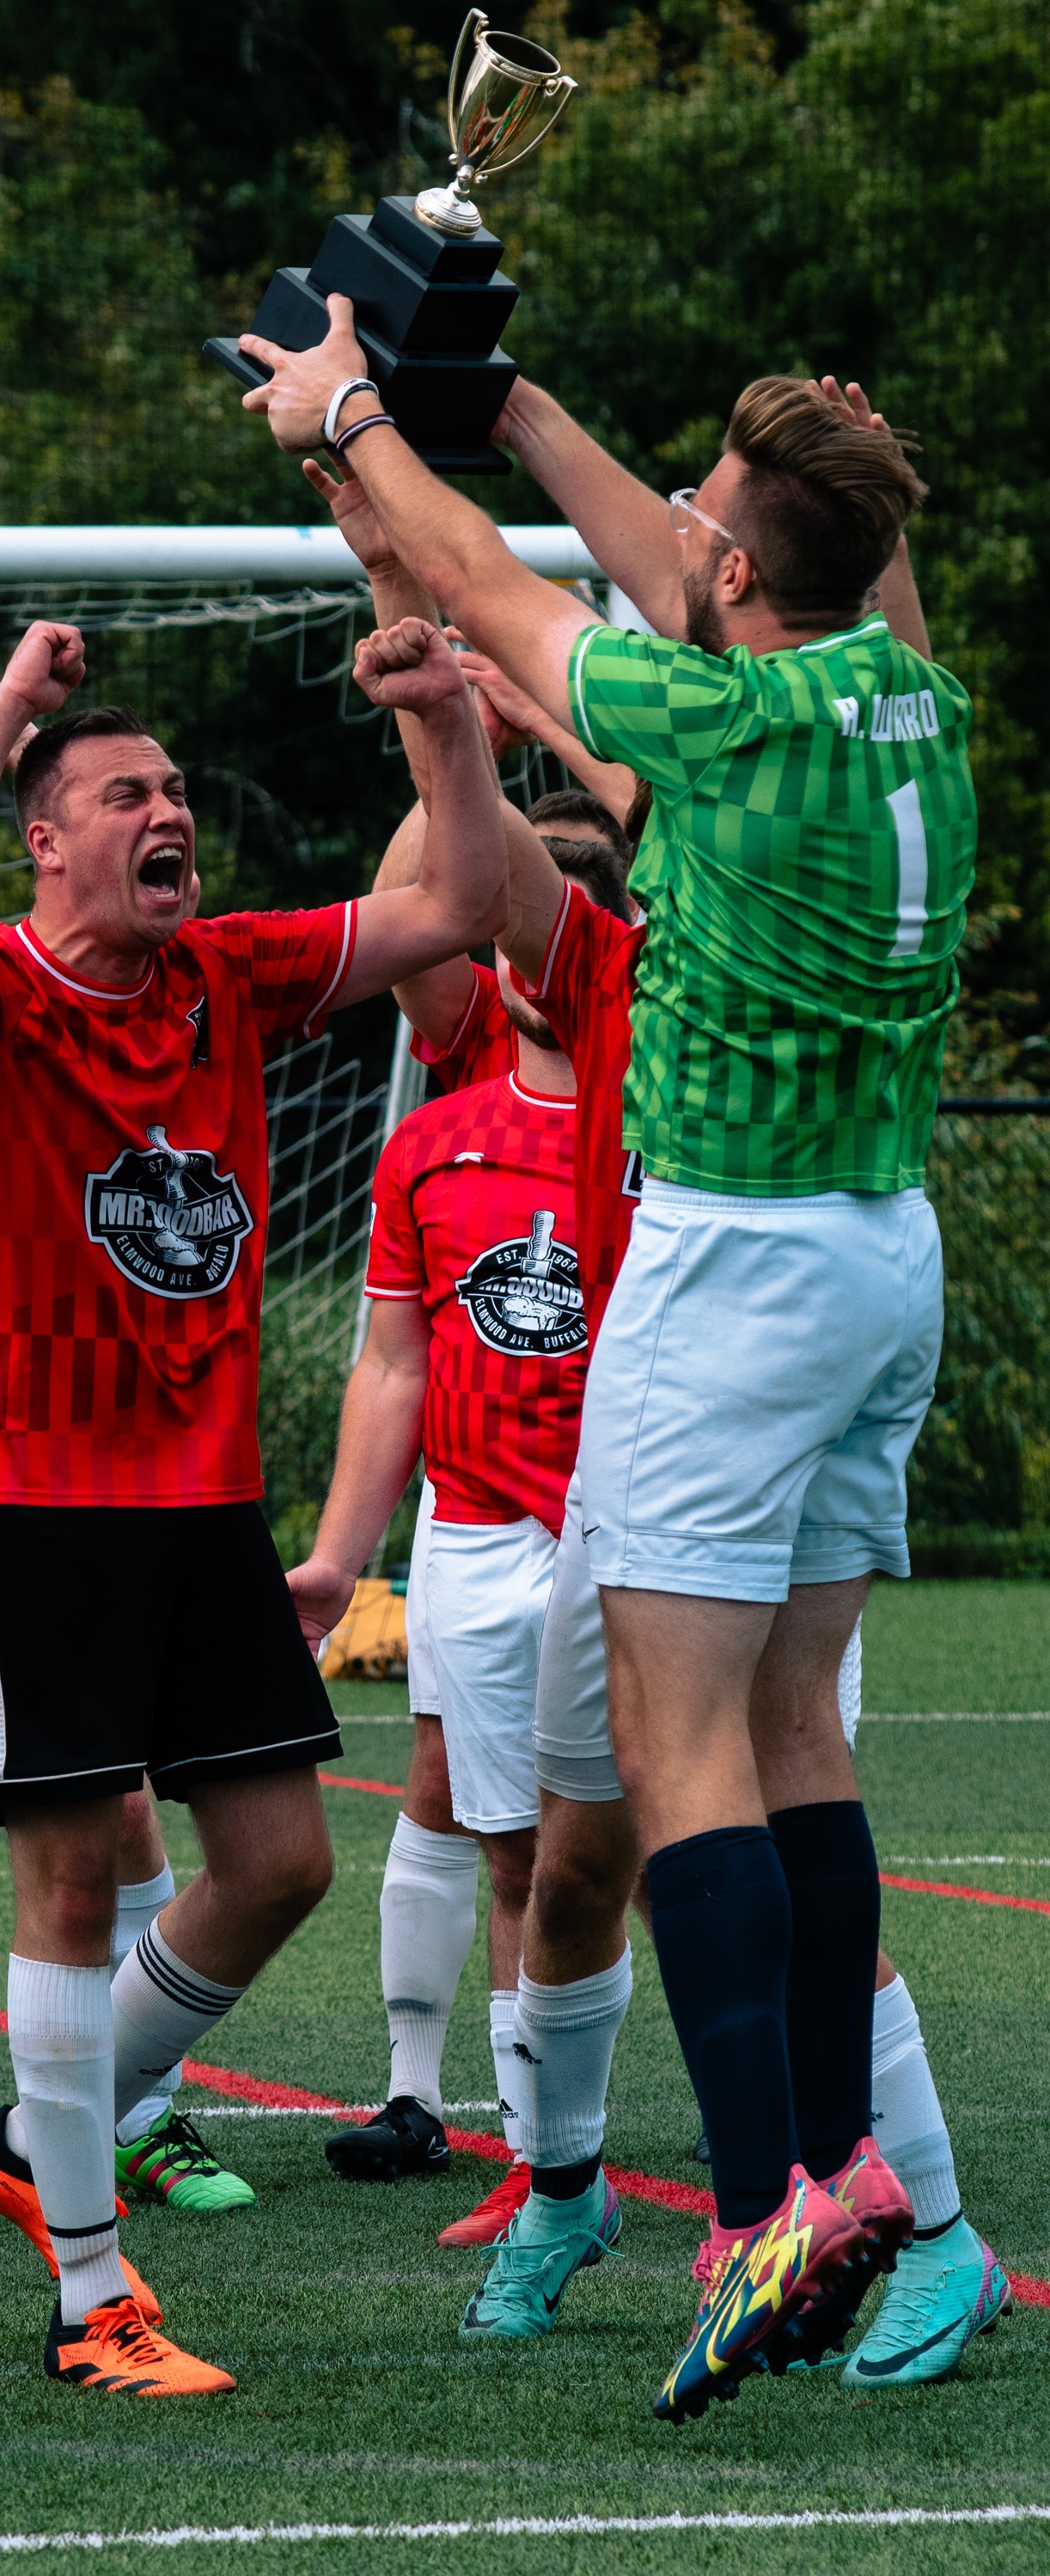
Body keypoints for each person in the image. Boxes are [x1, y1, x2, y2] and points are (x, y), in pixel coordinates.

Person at [241, 321, 981, 2411]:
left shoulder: (715, 717)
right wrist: (502, 392)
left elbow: (488, 583)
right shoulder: (904, 695)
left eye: (708, 530)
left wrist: (355, 426)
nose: (687, 546)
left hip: (727, 1264)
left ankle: (762, 2204)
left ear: (735, 575)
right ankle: (840, 2169)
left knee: (674, 1756)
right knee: (791, 1730)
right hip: (877, 1254)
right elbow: (702, 552)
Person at [0, 610, 508, 2396]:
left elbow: (457, 907)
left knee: (280, 1860)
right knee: (72, 1881)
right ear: (45, 839)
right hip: (30, 1494)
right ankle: (91, 2292)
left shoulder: (224, 973)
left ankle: (36, 2134)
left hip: (197, 1497)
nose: (166, 814)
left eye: (173, 792)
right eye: (122, 793)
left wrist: (445, 724)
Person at [294, 819, 631, 2314]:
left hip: (642, 1537)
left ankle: (819, 2152)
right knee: (513, 1853)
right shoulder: (432, 1134)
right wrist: (333, 1557)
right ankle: (537, 2157)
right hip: (479, 1536)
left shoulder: (666, 1128)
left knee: (691, 1846)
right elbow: (390, 1361)